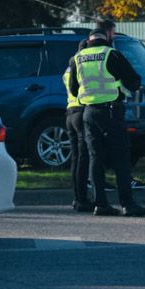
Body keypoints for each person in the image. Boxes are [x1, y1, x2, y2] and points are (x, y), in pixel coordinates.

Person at [69, 19, 145, 217]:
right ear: (106, 37)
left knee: (95, 158)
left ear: (89, 40)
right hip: (111, 110)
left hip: (88, 111)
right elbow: (133, 82)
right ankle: (127, 203)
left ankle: (101, 204)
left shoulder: (77, 58)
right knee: (121, 157)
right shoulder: (111, 54)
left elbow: (73, 89)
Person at [63, 40, 93, 213]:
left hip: (70, 113)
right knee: (84, 158)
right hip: (82, 112)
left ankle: (76, 198)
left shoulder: (68, 69)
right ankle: (82, 199)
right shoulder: (83, 66)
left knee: (75, 159)